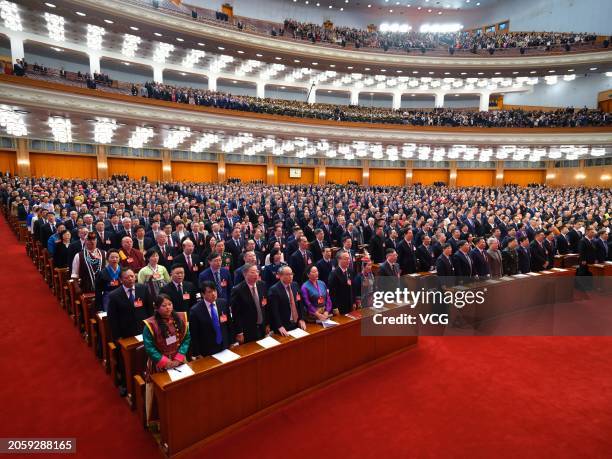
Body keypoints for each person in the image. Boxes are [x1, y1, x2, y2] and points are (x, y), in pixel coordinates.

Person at [142, 294, 190, 425]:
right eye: (164, 305)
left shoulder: (180, 317)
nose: (168, 308)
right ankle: (161, 421)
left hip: (179, 360)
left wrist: (179, 358)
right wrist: (166, 362)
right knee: (161, 393)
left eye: (170, 304)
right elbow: (149, 347)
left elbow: (186, 339)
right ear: (156, 308)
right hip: (159, 364)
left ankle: (183, 414)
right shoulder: (150, 324)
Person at [190, 281, 233, 358]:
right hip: (208, 350)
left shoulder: (223, 303)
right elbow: (194, 334)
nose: (213, 294)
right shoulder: (195, 311)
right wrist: (197, 353)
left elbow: (229, 324)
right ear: (203, 294)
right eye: (209, 292)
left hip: (225, 346)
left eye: (214, 291)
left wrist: (232, 342)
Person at [230, 263, 268, 343]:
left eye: (257, 272)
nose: (256, 274)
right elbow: (236, 314)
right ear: (244, 274)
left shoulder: (262, 285)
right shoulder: (237, 290)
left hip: (262, 326)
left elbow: (266, 307)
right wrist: (240, 332)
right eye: (253, 272)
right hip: (247, 330)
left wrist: (267, 324)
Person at [268, 266, 306, 336]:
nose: (291, 276)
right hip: (283, 326)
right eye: (288, 274)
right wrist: (279, 326)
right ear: (280, 276)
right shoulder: (274, 290)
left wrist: (301, 319)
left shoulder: (295, 285)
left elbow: (300, 303)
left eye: (291, 274)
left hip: (296, 323)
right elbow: (274, 311)